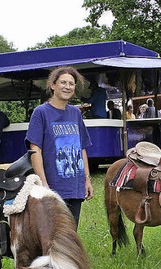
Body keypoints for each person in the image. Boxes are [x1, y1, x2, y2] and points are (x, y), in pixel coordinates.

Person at [26, 66, 94, 230]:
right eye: (63, 82)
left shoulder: (75, 113)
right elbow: (35, 150)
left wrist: (87, 179)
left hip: (75, 185)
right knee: (52, 234)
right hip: (53, 187)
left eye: (71, 83)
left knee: (70, 233)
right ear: (53, 85)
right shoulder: (41, 112)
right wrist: (43, 183)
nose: (67, 86)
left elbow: (82, 147)